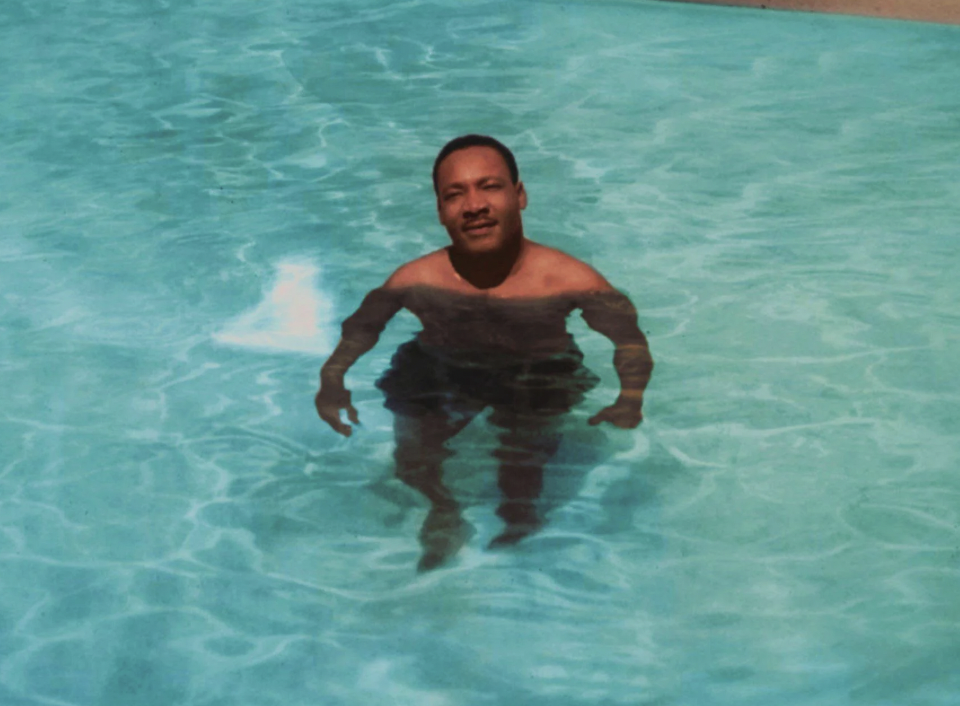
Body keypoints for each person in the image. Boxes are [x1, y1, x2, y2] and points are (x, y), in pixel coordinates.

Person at [315, 135, 653, 570]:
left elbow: (628, 337)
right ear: (440, 211)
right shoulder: (418, 280)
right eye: (454, 194)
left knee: (522, 469)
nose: (473, 205)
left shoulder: (569, 279)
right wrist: (332, 382)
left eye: (489, 186)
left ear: (520, 195)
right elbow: (362, 328)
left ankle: (520, 524)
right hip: (441, 367)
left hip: (537, 372)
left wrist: (630, 399)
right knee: (412, 461)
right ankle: (442, 510)